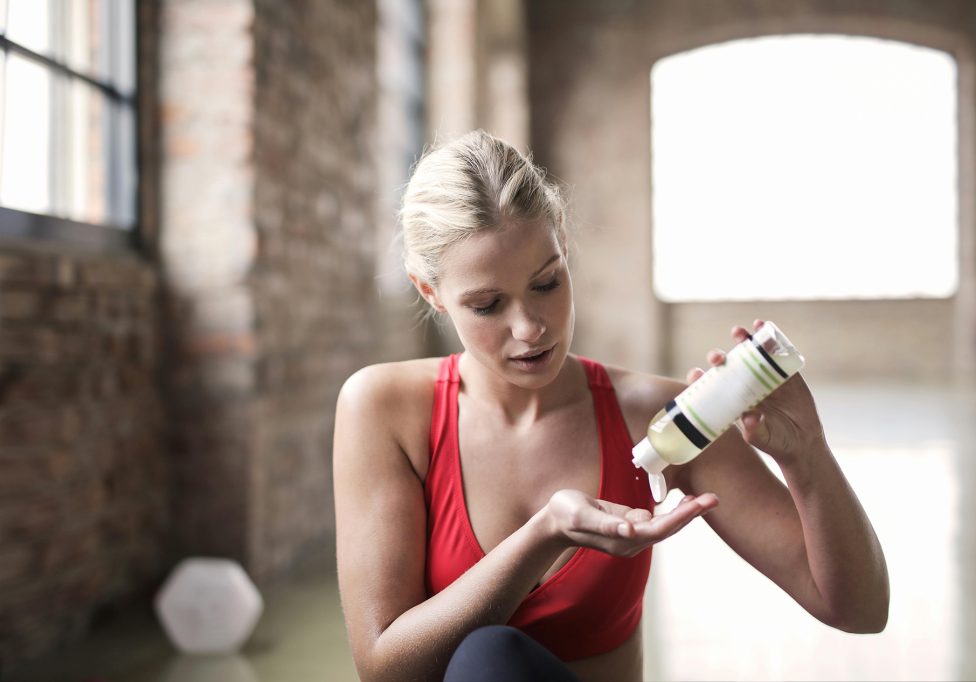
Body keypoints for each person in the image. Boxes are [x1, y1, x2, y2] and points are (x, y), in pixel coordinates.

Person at [332, 130, 889, 682]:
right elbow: (385, 671)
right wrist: (544, 534)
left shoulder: (661, 417)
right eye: (487, 304)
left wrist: (807, 456)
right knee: (490, 658)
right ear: (430, 292)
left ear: (565, 248)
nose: (529, 328)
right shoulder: (384, 410)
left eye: (547, 283)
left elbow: (858, 612)